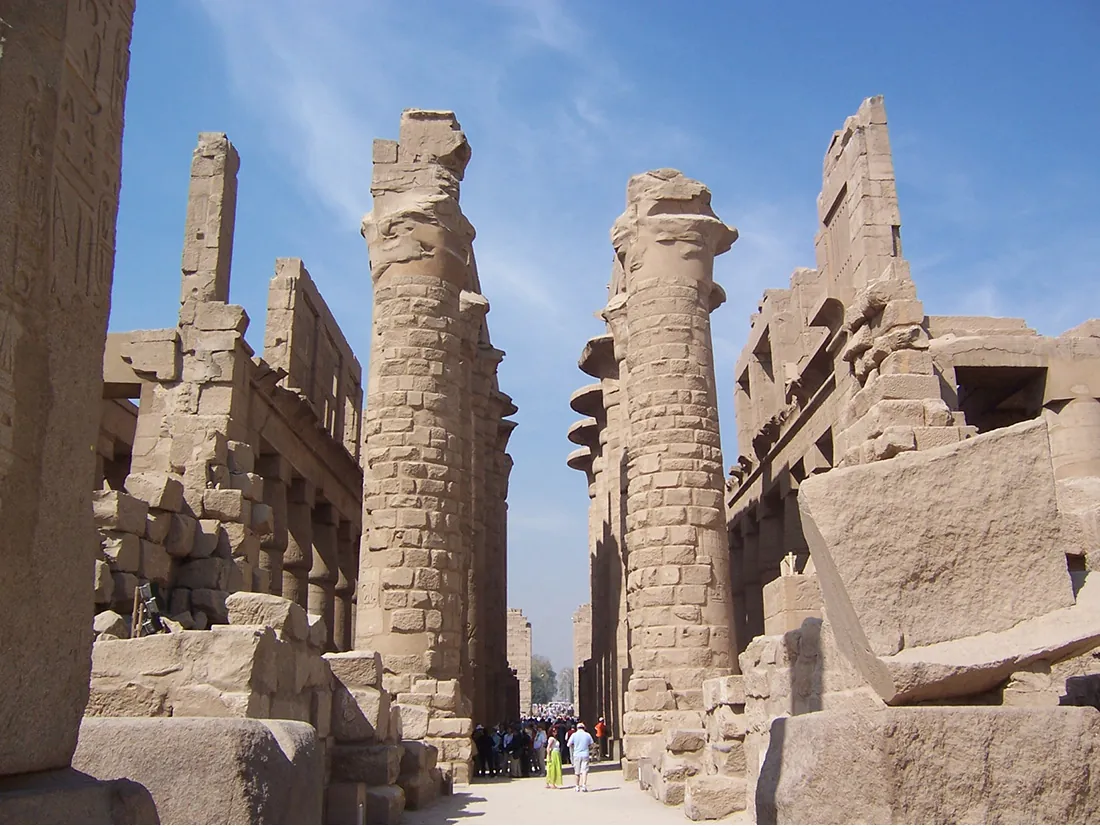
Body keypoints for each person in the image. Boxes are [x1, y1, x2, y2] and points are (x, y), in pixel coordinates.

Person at [567, 722, 595, 792]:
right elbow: (592, 744)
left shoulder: (574, 735)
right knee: (584, 771)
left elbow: (568, 744)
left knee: (577, 771)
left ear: (577, 728)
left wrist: (574, 746)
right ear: (584, 728)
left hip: (577, 754)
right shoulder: (587, 735)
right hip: (585, 754)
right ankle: (584, 786)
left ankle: (577, 786)